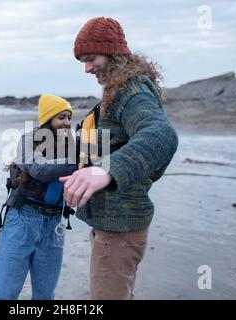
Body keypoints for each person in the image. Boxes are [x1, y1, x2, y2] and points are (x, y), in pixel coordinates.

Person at [59, 17, 179, 300]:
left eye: (91, 59)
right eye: (83, 62)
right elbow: (113, 143)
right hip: (116, 225)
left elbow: (162, 134)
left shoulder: (131, 89)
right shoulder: (121, 87)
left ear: (113, 53)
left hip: (120, 229)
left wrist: (105, 171)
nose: (87, 69)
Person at [0, 94, 77, 300]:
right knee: (5, 293)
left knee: (45, 295)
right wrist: (81, 161)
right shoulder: (27, 140)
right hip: (22, 220)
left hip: (54, 224)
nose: (66, 122)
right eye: (61, 117)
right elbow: (40, 170)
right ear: (47, 119)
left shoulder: (74, 145)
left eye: (68, 117)